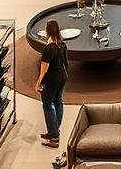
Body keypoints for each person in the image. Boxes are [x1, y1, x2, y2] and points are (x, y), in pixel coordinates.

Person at [36, 19, 68, 149]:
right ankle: (55, 128)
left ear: (48, 31)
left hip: (51, 80)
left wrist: (39, 82)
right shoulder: (62, 45)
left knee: (48, 104)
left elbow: (45, 66)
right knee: (58, 101)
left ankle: (54, 136)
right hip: (62, 77)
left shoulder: (49, 48)